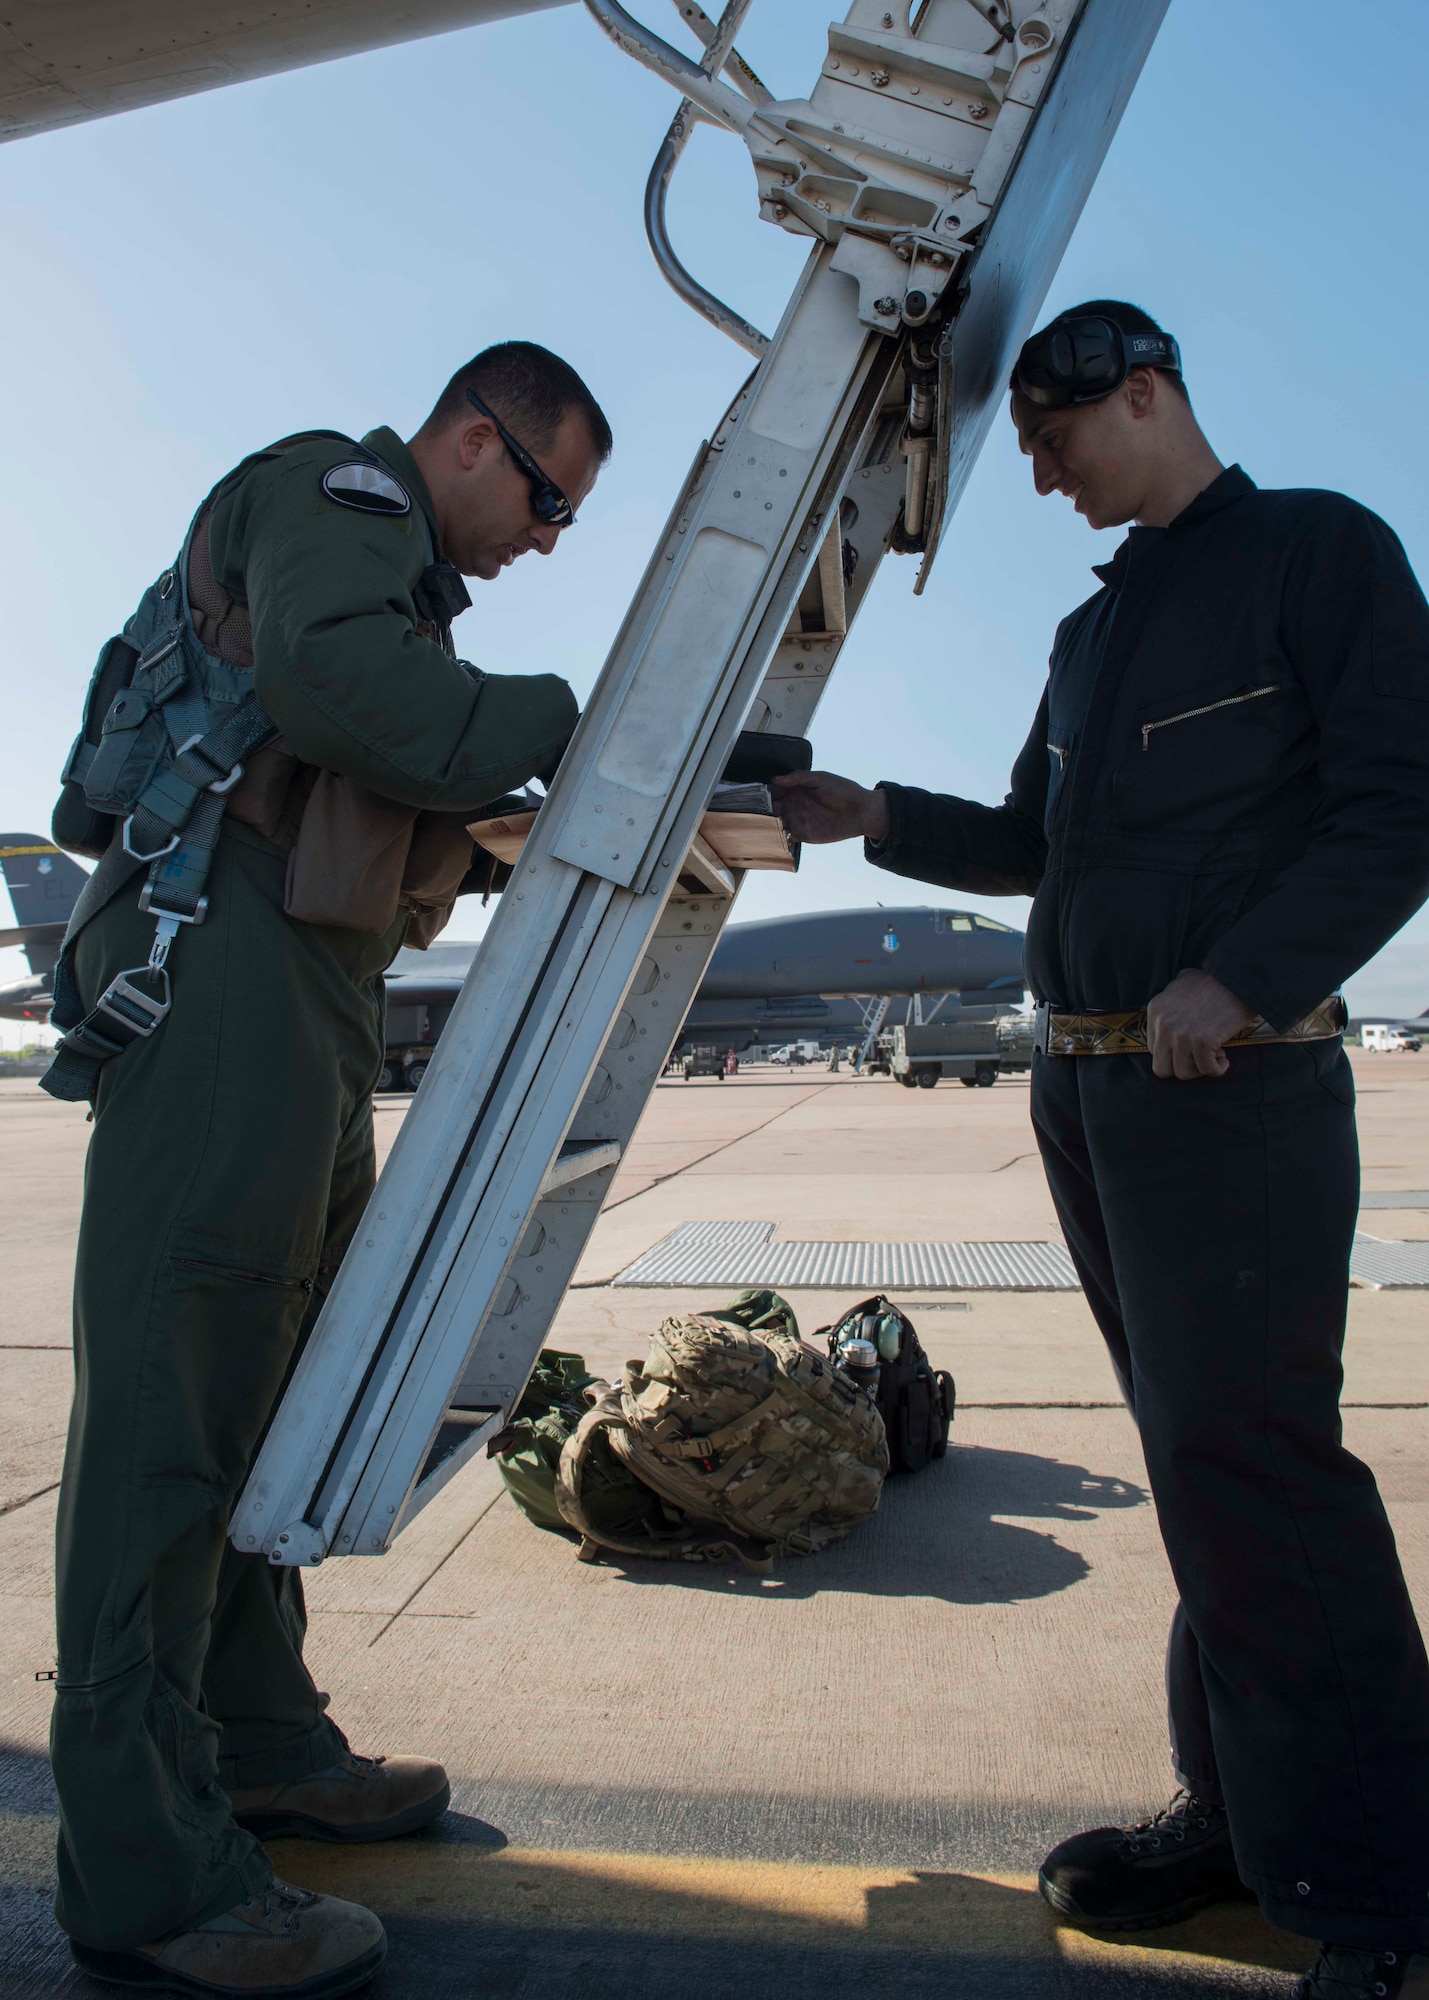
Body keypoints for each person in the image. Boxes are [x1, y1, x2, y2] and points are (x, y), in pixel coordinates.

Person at [772, 301, 1429, 2000]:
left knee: (1264, 1471)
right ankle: (1240, 1820)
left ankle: (1377, 1891)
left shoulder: (1315, 555)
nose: (1045, 475)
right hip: (1092, 1093)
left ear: (1145, 393)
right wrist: (877, 817)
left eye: (1059, 440)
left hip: (1235, 1085)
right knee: (1200, 1469)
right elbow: (1027, 843)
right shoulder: (1094, 630)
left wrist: (1249, 972)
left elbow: (1402, 803)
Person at [45, 341, 610, 1998]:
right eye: (546, 496)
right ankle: (143, 1868)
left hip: (303, 985)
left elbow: (389, 760)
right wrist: (585, 717)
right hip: (218, 968)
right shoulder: (336, 495)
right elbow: (339, 694)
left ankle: (259, 1735)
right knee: (174, 1397)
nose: (547, 537)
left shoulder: (401, 585)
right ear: (465, 437)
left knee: (271, 1392)